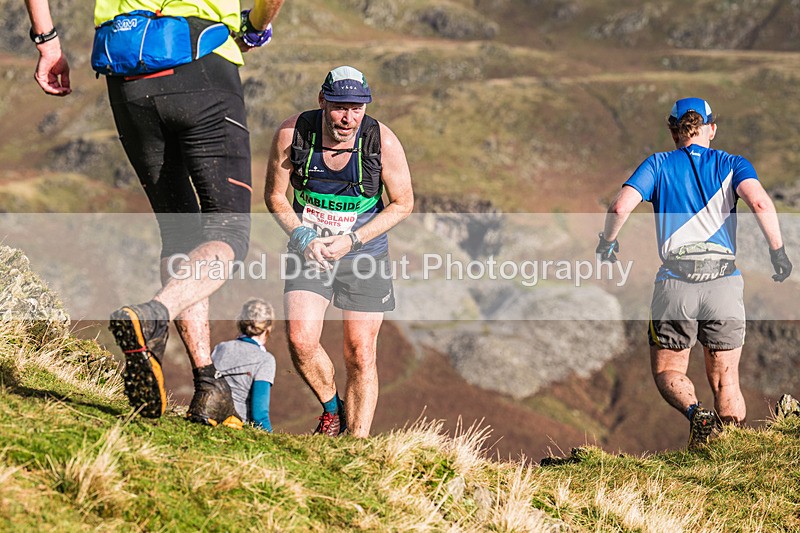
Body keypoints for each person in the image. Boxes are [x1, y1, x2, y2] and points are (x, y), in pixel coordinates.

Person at [24, 0, 284, 426]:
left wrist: (48, 44)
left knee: (178, 230)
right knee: (229, 231)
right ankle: (153, 315)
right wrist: (256, 26)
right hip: (202, 66)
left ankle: (207, 384)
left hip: (127, 77)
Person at [597, 97, 793, 449]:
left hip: (676, 282)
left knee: (668, 370)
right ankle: (730, 452)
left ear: (674, 131)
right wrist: (778, 253)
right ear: (711, 129)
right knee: (726, 379)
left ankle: (695, 413)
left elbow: (619, 205)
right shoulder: (733, 164)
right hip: (724, 282)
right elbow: (761, 202)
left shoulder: (657, 164)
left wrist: (607, 242)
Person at [264, 66, 414, 438]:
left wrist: (353, 240)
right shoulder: (292, 134)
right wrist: (302, 238)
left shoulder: (383, 141)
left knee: (360, 353)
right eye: (339, 107)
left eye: (357, 108)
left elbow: (404, 203)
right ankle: (334, 411)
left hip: (363, 255)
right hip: (309, 250)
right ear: (322, 101)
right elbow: (274, 197)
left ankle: (356, 445)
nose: (348, 118)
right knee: (301, 340)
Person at [211, 298, 276, 431]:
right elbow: (260, 415)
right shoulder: (265, 360)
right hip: (238, 426)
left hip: (210, 417)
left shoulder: (220, 348)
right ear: (268, 328)